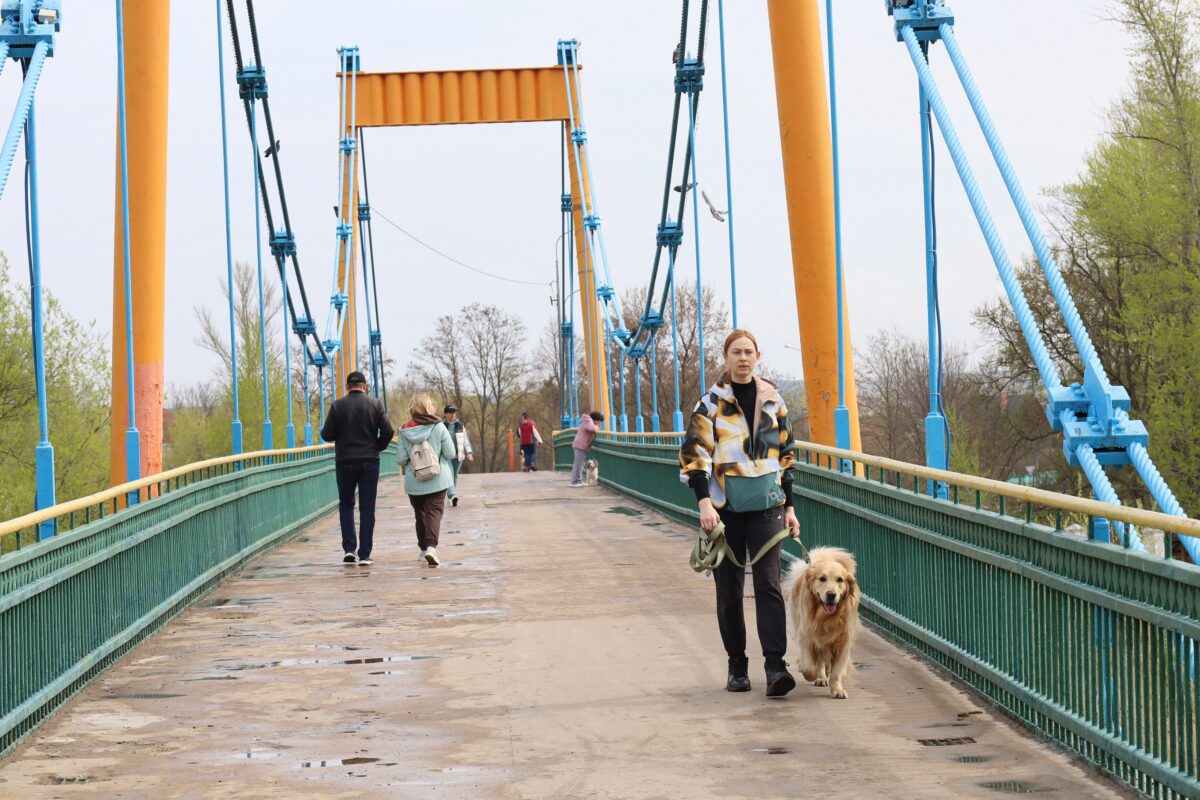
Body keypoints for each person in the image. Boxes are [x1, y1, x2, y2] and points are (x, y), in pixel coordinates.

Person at [679, 329, 801, 697]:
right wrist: (704, 504)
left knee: (768, 586)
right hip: (724, 510)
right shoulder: (710, 404)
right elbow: (694, 456)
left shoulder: (773, 401)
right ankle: (737, 665)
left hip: (767, 507)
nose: (743, 358)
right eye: (736, 352)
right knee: (729, 590)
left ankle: (776, 666)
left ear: (758, 356)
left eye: (749, 352)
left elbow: (787, 456)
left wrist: (790, 506)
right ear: (727, 357)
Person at [320, 370, 395, 566]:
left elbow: (326, 435)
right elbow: (388, 431)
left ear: (347, 387)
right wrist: (376, 447)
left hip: (345, 461)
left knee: (346, 504)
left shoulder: (337, 405)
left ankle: (349, 549)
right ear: (365, 385)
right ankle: (365, 555)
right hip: (370, 462)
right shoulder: (375, 404)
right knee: (367, 508)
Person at [396, 393, 457, 567]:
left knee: (420, 514)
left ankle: (423, 550)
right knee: (434, 513)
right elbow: (451, 453)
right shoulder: (439, 426)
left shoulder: (404, 430)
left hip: (414, 481)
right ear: (429, 407)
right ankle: (431, 548)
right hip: (438, 479)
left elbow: (400, 459)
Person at [442, 404, 474, 506]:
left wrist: (469, 452)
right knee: (449, 475)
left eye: (454, 413)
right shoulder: (441, 426)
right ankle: (452, 494)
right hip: (446, 456)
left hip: (458, 456)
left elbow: (465, 440)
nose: (452, 415)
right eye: (450, 413)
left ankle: (451, 497)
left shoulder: (460, 425)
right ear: (445, 414)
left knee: (454, 476)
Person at [568, 410, 604, 487]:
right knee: (577, 464)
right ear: (596, 419)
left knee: (580, 464)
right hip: (580, 445)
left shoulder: (587, 420)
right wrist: (596, 427)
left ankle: (579, 480)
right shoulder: (588, 420)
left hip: (582, 445)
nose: (599, 423)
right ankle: (574, 481)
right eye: (599, 421)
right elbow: (592, 428)